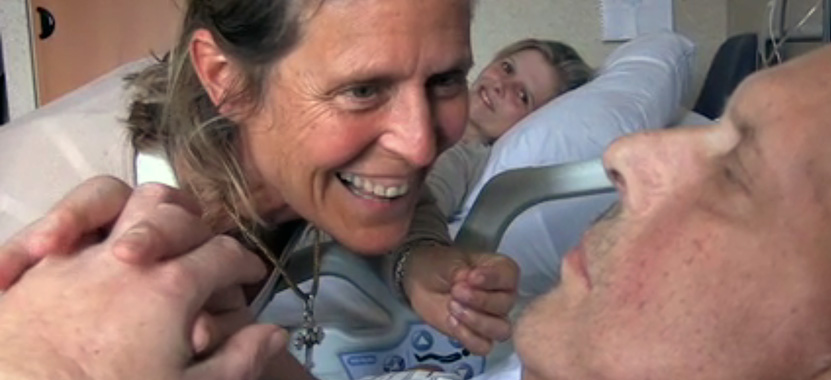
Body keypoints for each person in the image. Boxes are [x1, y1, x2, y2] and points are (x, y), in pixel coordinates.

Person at [1, 28, 831, 380]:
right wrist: (234, 359)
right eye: (363, 84)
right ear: (225, 78)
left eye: (735, 171)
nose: (627, 154)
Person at [0, 0, 518, 359]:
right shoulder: (45, 230)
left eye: (445, 80)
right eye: (362, 90)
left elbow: (414, 188)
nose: (420, 144)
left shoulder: (275, 148)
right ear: (224, 78)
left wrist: (417, 256)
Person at [426, 38, 593, 219]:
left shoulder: (459, 160)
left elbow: (420, 215)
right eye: (507, 68)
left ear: (530, 122)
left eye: (522, 96)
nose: (500, 85)